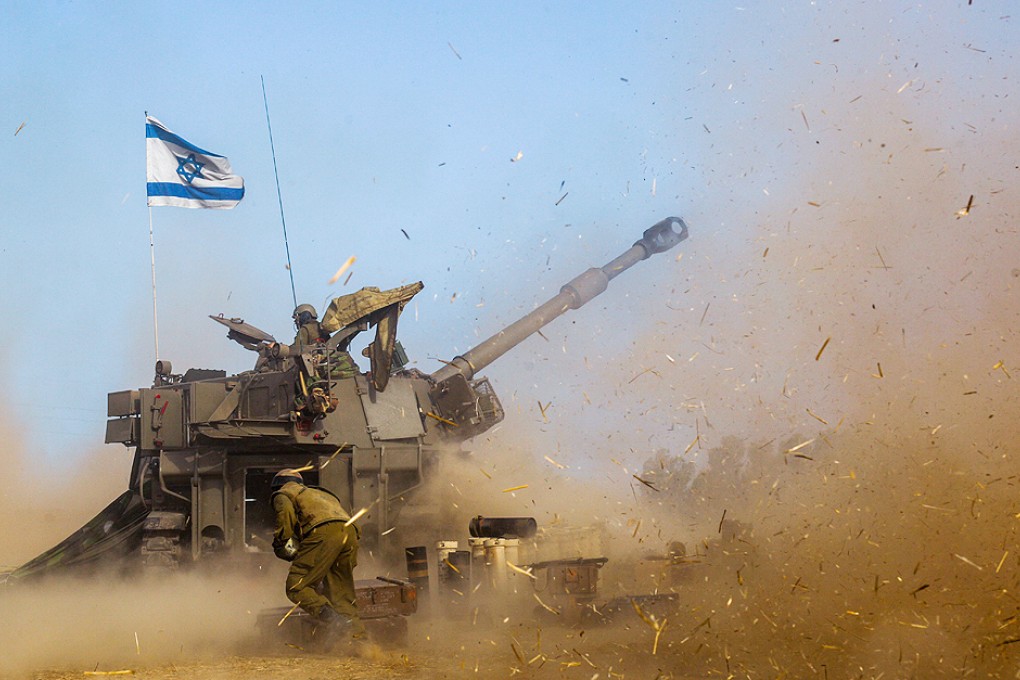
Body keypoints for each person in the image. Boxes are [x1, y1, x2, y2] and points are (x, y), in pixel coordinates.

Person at [270, 468, 365, 647]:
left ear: (277, 486)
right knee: (341, 593)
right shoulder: (320, 494)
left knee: (296, 586)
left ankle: (333, 619)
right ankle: (359, 641)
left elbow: (286, 518)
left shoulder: (283, 493)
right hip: (350, 533)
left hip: (323, 532)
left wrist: (280, 542)